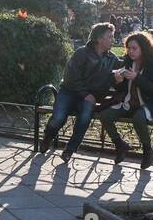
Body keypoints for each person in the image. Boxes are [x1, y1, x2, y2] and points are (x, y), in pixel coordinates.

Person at [37, 22, 119, 163]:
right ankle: (48, 137)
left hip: (89, 98)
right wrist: (85, 94)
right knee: (58, 118)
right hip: (69, 92)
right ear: (99, 39)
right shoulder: (81, 53)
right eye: (110, 37)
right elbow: (71, 78)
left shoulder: (112, 59)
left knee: (85, 116)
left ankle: (70, 150)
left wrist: (118, 78)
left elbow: (114, 77)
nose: (113, 40)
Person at [96, 31, 153, 170]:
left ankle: (147, 150)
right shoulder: (128, 62)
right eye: (128, 48)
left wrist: (137, 77)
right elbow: (122, 88)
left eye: (134, 48)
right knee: (105, 116)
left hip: (149, 105)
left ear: (143, 48)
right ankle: (120, 145)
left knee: (138, 118)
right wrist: (117, 81)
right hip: (129, 103)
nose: (130, 51)